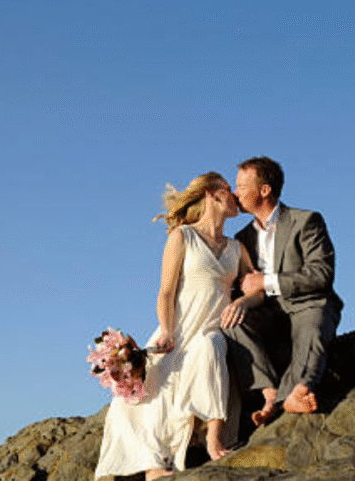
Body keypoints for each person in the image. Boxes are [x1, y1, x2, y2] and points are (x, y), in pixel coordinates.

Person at [95, 173, 265, 481]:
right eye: (230, 190)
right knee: (148, 395)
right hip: (177, 330)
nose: (236, 197)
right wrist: (167, 330)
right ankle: (155, 464)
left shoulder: (237, 248)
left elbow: (256, 289)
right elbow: (166, 292)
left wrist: (242, 302)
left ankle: (214, 435)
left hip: (212, 328)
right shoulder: (182, 237)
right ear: (213, 194)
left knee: (211, 347)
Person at [225, 156, 343, 419]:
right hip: (267, 311)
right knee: (230, 322)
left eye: (242, 186)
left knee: (312, 326)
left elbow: (321, 274)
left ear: (264, 190)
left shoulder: (307, 221)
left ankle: (297, 392)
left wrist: (266, 281)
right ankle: (268, 393)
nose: (236, 193)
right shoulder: (241, 238)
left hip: (307, 303)